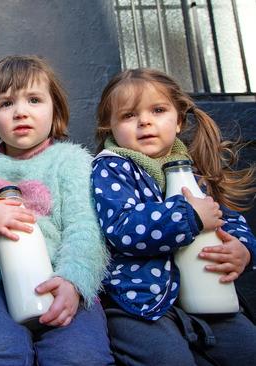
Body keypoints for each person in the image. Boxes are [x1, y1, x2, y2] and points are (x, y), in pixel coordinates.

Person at [0, 55, 114, 366]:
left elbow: (86, 228)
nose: (21, 112)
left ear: (55, 108)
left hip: (60, 281)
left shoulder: (71, 161)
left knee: (80, 356)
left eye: (34, 100)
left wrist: (74, 283)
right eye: (6, 104)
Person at [92, 68, 256, 365]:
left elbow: (227, 218)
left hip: (209, 297)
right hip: (138, 301)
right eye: (129, 116)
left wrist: (243, 249)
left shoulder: (189, 171)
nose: (145, 121)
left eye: (158, 110)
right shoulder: (111, 169)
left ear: (179, 120)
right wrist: (189, 216)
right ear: (110, 127)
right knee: (168, 358)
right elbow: (122, 228)